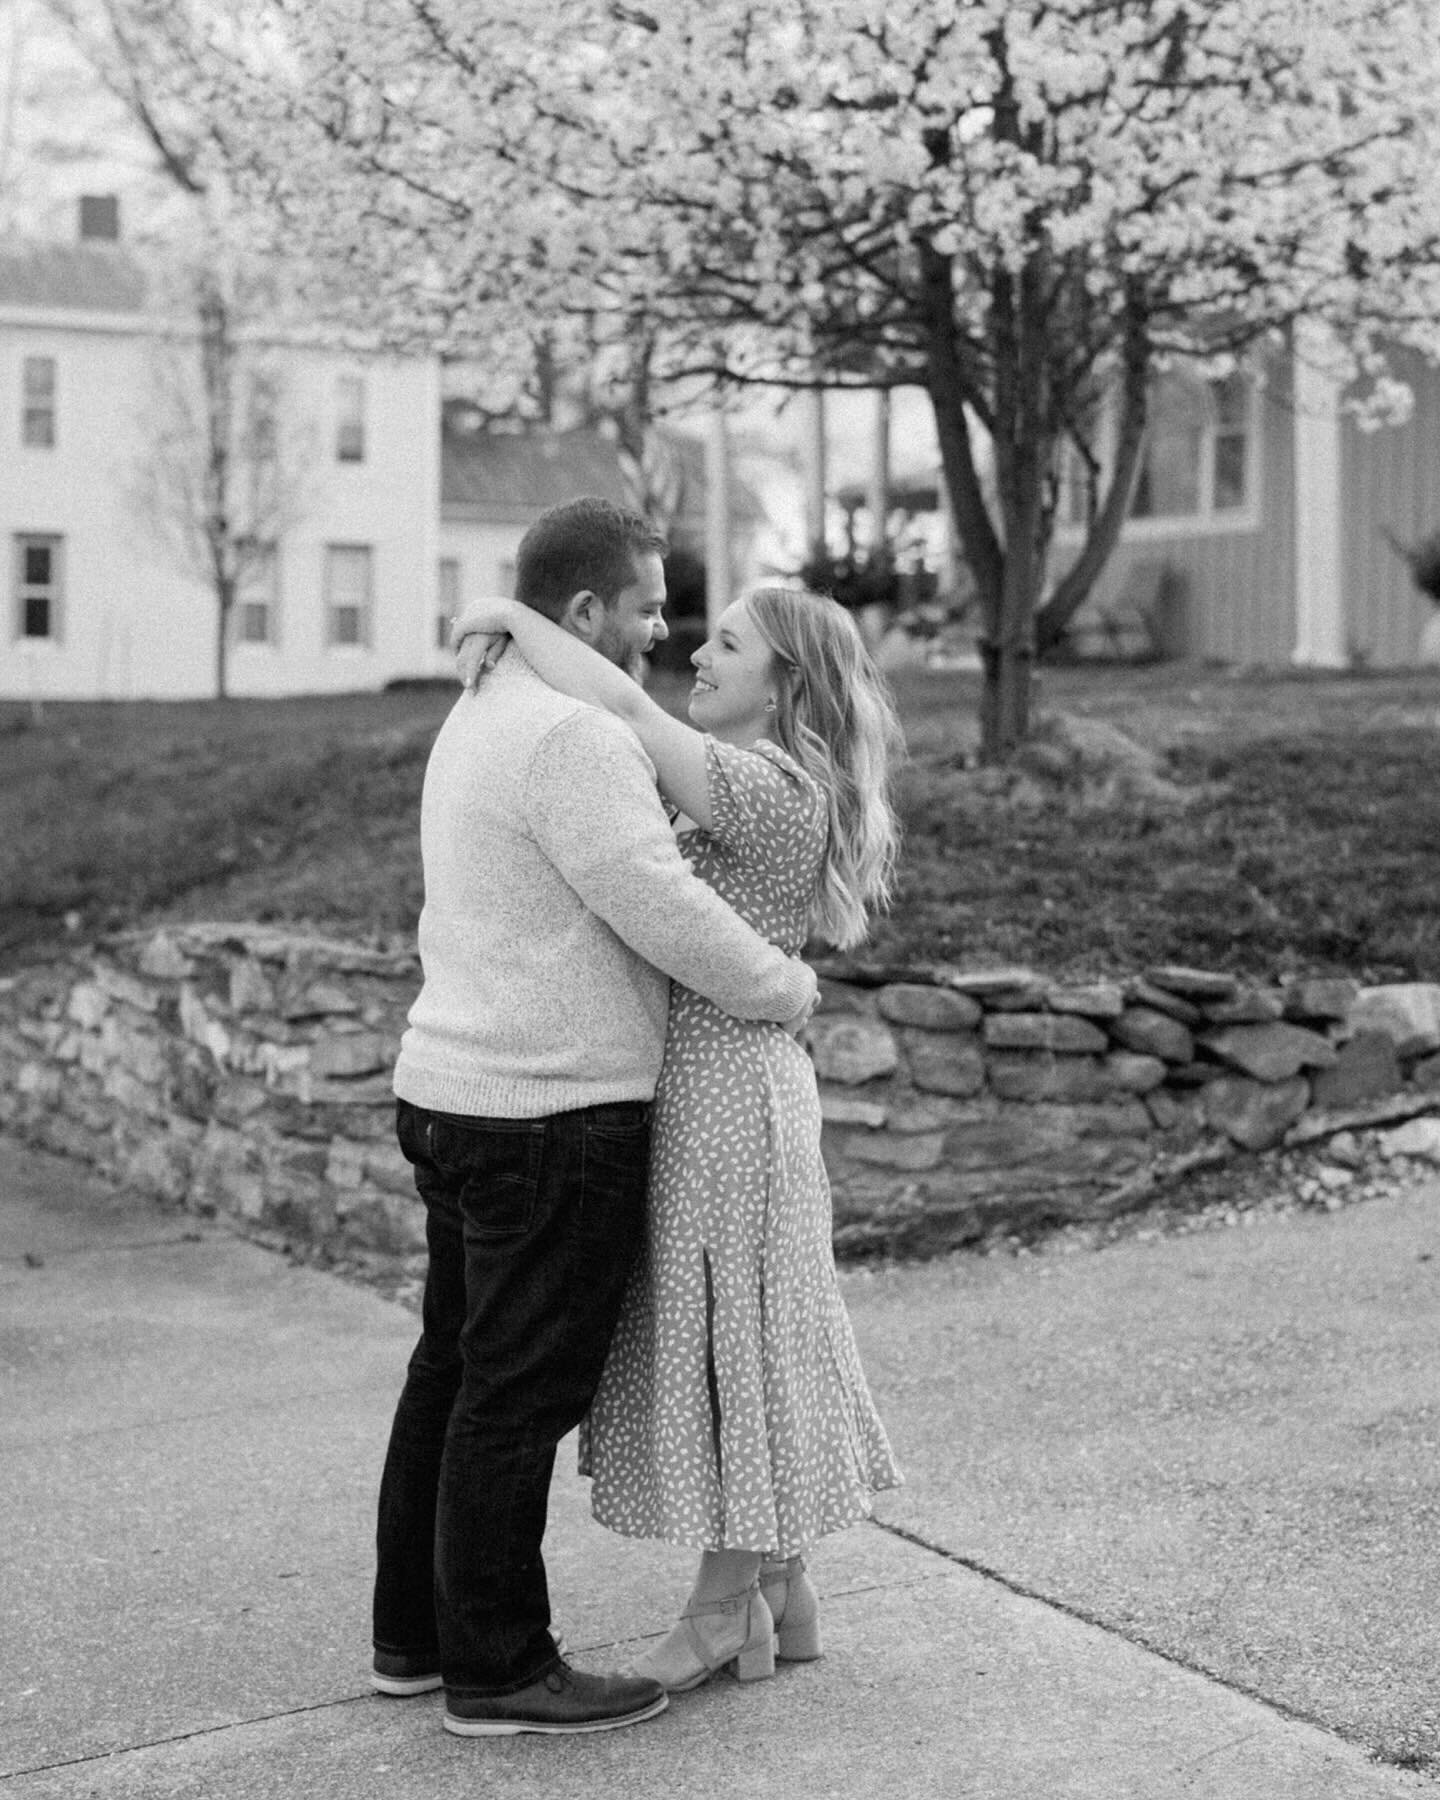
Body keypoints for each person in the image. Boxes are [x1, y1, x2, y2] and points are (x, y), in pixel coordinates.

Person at [373, 497, 818, 1739]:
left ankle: (413, 1639)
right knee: (510, 1398)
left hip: (455, 1088)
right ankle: (500, 1667)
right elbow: (658, 901)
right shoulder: (569, 735)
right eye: (647, 603)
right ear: (585, 613)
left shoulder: (480, 707)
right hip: (546, 1112)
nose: (664, 629)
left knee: (450, 1374)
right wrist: (784, 987)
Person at [452, 577, 905, 1695]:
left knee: (727, 1346)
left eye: (729, 644)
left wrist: (516, 618)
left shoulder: (765, 787)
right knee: (737, 1333)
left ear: (784, 681)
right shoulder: (754, 786)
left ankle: (718, 1613)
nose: (697, 655)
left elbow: (625, 709)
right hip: (720, 1088)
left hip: (727, 1096)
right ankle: (779, 1588)